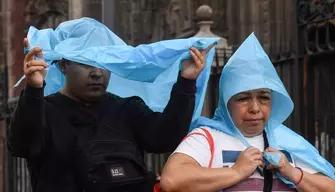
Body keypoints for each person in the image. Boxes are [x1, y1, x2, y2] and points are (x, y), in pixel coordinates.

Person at [8, 18, 217, 192]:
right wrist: (34, 89)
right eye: (86, 62)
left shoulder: (126, 109)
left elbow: (164, 138)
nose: (97, 72)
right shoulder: (44, 111)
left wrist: (186, 82)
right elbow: (22, 144)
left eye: (104, 63)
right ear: (63, 65)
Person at [160, 33, 335, 192]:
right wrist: (236, 172)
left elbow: (331, 188)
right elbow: (171, 181)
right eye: (243, 98)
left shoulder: (288, 141)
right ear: (226, 102)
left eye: (263, 97)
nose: (255, 108)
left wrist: (292, 172)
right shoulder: (206, 138)